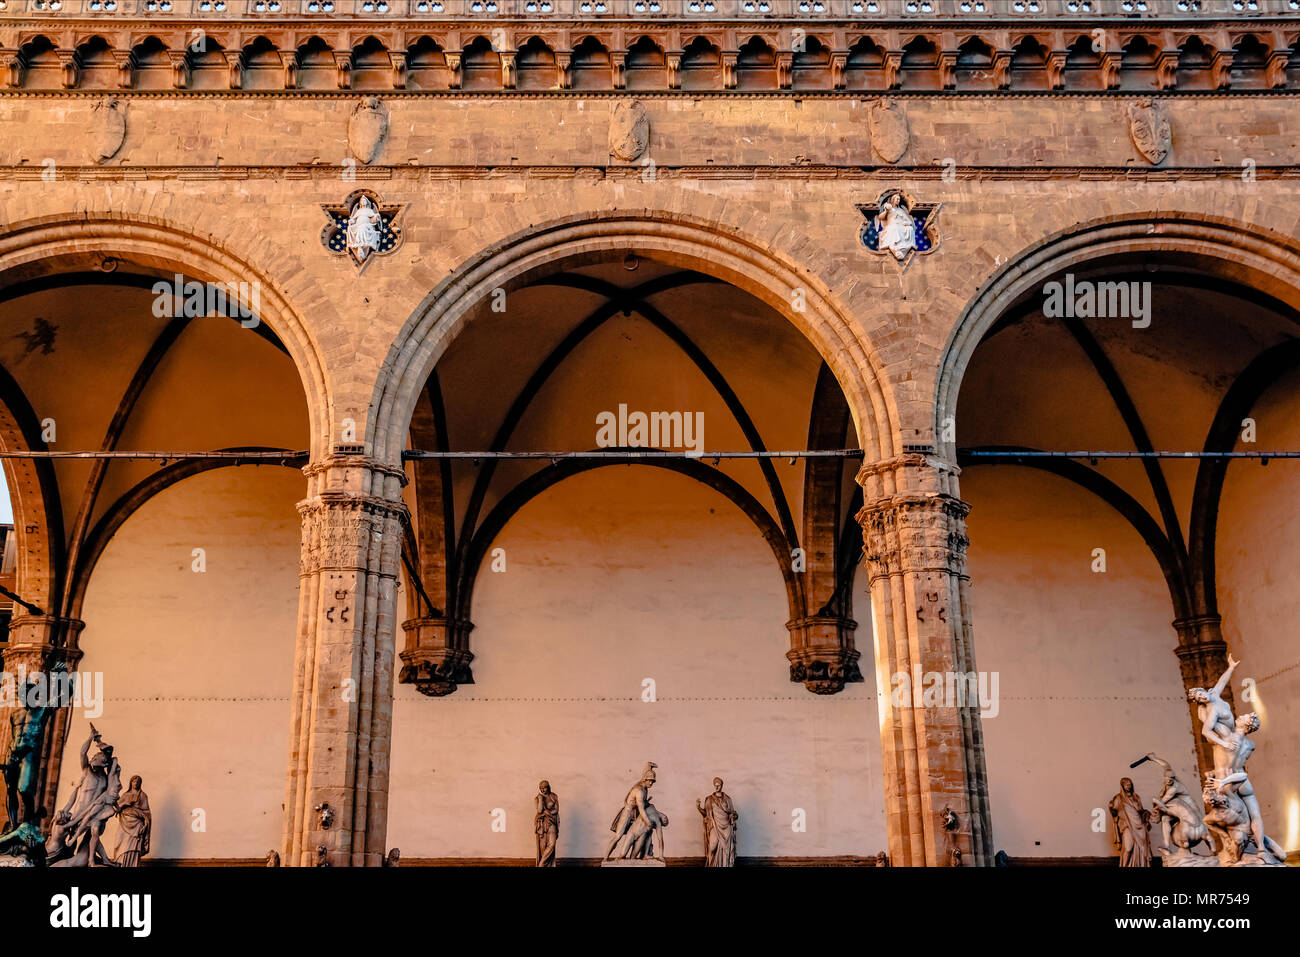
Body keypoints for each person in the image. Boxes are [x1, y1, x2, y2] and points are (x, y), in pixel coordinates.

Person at [1109, 777, 1152, 866]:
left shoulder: (1136, 797)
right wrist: (1110, 808)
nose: (1129, 786)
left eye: (1130, 784)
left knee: (1142, 849)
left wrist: (1146, 813)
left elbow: (1140, 810)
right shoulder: (1119, 798)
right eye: (1127, 785)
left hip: (1139, 826)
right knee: (1128, 848)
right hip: (1127, 825)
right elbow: (1114, 813)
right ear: (1122, 786)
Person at [696, 777, 738, 867]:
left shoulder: (727, 799)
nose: (716, 787)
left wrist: (732, 816)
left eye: (718, 785)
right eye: (715, 785)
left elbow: (733, 813)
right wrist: (698, 807)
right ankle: (711, 865)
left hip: (726, 826)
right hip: (715, 826)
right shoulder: (709, 799)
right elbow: (705, 814)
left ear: (722, 785)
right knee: (712, 847)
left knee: (727, 850)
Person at [113, 775, 151, 867]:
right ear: (130, 783)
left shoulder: (143, 796)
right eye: (134, 781)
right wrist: (125, 804)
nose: (136, 783)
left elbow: (147, 812)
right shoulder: (125, 795)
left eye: (138, 781)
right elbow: (116, 809)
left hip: (137, 824)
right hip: (124, 823)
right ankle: (122, 864)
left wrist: (145, 821)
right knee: (121, 843)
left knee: (133, 847)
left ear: (140, 783)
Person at [875, 193, 916, 260]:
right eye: (897, 199)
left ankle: (905, 246)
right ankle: (896, 246)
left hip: (901, 225)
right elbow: (880, 217)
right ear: (893, 200)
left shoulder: (901, 210)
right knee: (895, 228)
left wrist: (907, 223)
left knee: (910, 229)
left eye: (899, 199)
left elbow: (909, 221)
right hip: (891, 225)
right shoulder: (889, 208)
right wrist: (886, 211)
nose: (898, 201)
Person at [346, 195, 383, 261]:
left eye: (364, 201)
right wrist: (351, 221)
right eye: (362, 201)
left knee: (362, 227)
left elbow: (373, 219)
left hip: (367, 225)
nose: (363, 202)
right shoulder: (359, 211)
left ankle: (361, 245)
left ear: (367, 202)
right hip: (357, 225)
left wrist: (376, 216)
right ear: (360, 203)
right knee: (350, 228)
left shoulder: (369, 210)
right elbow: (354, 219)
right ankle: (355, 245)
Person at [534, 780, 559, 867]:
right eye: (541, 788)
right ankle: (543, 864)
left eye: (544, 788)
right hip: (541, 824)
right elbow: (540, 810)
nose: (542, 790)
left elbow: (556, 809)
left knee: (552, 844)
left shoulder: (554, 796)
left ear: (548, 787)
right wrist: (541, 799)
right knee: (543, 848)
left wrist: (548, 813)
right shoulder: (537, 798)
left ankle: (541, 864)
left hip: (551, 822)